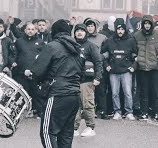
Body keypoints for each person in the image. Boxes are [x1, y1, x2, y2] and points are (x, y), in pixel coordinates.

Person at [24, 19, 83, 148]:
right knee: (66, 135)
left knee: (47, 132)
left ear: (54, 32)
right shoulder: (77, 48)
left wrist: (32, 74)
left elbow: (38, 71)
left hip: (57, 94)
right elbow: (81, 72)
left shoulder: (51, 46)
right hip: (74, 95)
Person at [133, 15, 158, 121]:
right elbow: (132, 49)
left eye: (149, 23)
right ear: (142, 24)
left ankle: (156, 112)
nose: (147, 26)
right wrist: (135, 58)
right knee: (144, 91)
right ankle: (144, 112)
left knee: (156, 91)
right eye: (145, 23)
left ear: (151, 24)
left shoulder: (157, 34)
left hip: (155, 68)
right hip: (142, 68)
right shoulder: (136, 35)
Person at [101, 23, 137, 121]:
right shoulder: (109, 41)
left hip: (126, 71)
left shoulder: (131, 41)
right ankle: (117, 112)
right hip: (113, 71)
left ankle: (129, 112)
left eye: (122, 29)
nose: (120, 31)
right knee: (114, 93)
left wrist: (133, 66)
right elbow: (103, 55)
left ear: (125, 29)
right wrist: (106, 65)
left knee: (128, 93)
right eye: (118, 29)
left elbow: (136, 55)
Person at [73, 24, 103, 137]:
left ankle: (90, 127)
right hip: (74, 80)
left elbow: (98, 62)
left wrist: (97, 77)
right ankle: (74, 128)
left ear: (86, 32)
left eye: (82, 30)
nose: (79, 32)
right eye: (77, 30)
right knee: (75, 105)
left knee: (87, 104)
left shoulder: (91, 46)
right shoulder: (72, 45)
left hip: (87, 80)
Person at [12, 22, 45, 118]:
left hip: (34, 73)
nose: (30, 31)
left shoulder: (40, 42)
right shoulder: (19, 41)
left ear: (36, 31)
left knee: (35, 92)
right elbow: (14, 54)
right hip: (21, 72)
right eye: (28, 29)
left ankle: (37, 111)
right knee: (22, 93)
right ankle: (21, 112)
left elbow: (43, 57)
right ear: (25, 30)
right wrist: (13, 62)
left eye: (32, 29)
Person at [84, 18, 109, 119]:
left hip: (99, 66)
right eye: (88, 26)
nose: (90, 28)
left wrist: (101, 57)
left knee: (100, 89)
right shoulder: (82, 37)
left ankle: (102, 110)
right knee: (88, 90)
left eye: (92, 26)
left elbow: (108, 51)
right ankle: (89, 110)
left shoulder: (103, 38)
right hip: (86, 67)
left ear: (95, 27)